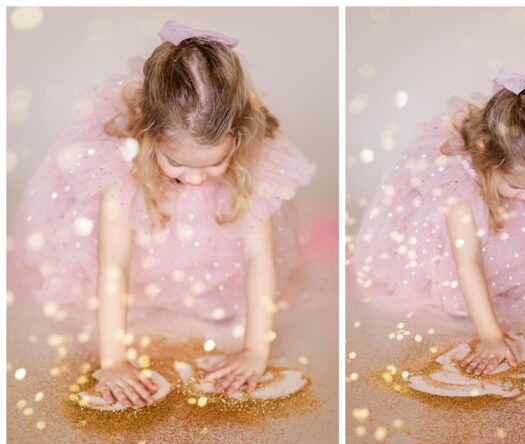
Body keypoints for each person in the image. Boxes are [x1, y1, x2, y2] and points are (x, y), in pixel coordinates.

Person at [10, 21, 316, 408]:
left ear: (236, 138)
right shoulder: (122, 170)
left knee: (227, 296)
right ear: (148, 137)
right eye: (175, 163)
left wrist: (255, 350)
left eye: (214, 163)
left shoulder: (252, 164)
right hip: (143, 266)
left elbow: (258, 258)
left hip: (209, 259)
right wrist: (114, 360)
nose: (194, 178)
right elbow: (115, 267)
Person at [353, 69, 525, 375]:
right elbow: (469, 261)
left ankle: (519, 287)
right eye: (517, 188)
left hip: (520, 252)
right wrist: (490, 336)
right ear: (485, 156)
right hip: (461, 257)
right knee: (458, 304)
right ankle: (483, 312)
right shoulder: (458, 178)